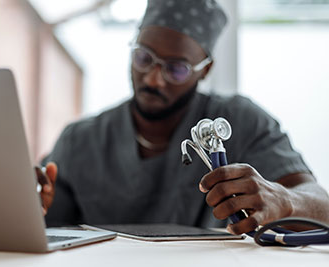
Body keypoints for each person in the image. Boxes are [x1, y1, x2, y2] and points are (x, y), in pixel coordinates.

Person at [38, 0, 329, 235]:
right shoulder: (80, 141)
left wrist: (285, 201)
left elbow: (322, 207)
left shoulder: (241, 123)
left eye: (176, 69)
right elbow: (47, 227)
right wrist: (31, 205)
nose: (154, 79)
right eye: (144, 58)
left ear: (205, 69)